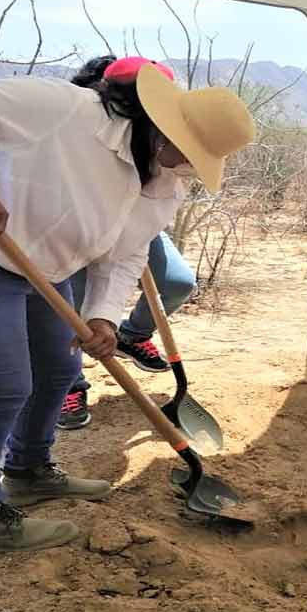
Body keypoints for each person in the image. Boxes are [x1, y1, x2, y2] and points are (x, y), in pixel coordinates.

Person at [0, 56, 255, 555]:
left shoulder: (164, 182)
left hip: (36, 269)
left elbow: (127, 254)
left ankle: (29, 471)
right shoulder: (68, 110)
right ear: (159, 128)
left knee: (58, 370)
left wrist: (103, 316)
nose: (186, 163)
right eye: (185, 149)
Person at [56, 57, 198, 431]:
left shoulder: (160, 124)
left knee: (178, 283)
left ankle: (132, 335)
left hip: (137, 220)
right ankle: (69, 385)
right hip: (80, 228)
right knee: (71, 313)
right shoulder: (81, 123)